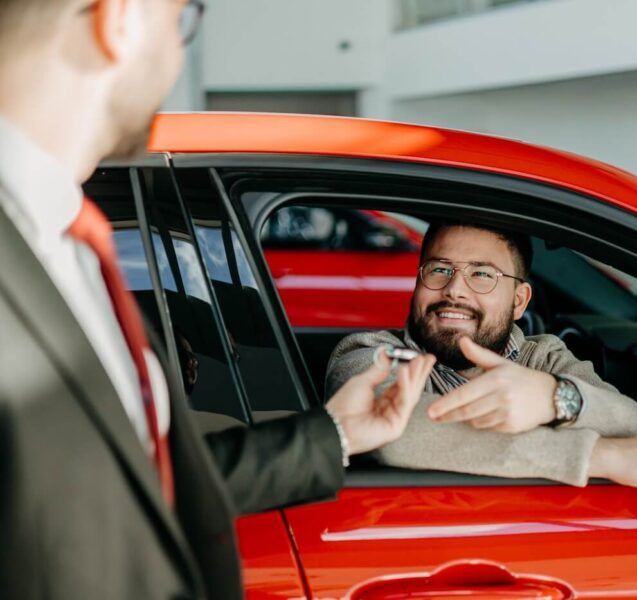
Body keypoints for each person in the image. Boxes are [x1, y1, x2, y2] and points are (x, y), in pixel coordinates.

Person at [0, 0, 434, 598]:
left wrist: (336, 434)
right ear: (119, 19)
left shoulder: (65, 238)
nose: (180, 55)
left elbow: (138, 495)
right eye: (183, 20)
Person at [327, 222, 637, 496]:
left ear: (520, 301)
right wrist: (600, 457)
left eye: (482, 274)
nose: (455, 289)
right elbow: (392, 435)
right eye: (439, 270)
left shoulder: (543, 358)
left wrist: (556, 398)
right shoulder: (370, 352)